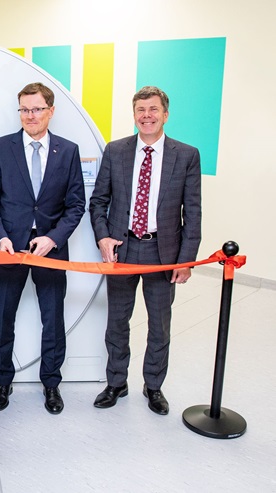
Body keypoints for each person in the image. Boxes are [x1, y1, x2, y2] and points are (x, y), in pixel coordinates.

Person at [89, 86, 202, 415]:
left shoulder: (186, 155)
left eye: (153, 109)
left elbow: (193, 212)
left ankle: (153, 386)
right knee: (117, 321)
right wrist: (103, 237)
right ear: (134, 114)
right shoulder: (116, 151)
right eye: (141, 110)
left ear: (165, 115)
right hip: (122, 250)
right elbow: (99, 202)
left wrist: (186, 260)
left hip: (163, 253)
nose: (147, 116)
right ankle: (116, 382)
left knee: (159, 325)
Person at [0, 82, 86, 414]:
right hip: (9, 248)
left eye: (37, 109)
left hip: (50, 249)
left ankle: (51, 383)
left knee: (52, 319)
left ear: (51, 111)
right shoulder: (0, 148)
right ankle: (2, 381)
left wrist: (53, 238)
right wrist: (0, 237)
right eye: (24, 109)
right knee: (3, 318)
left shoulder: (68, 151)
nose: (30, 115)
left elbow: (76, 205)